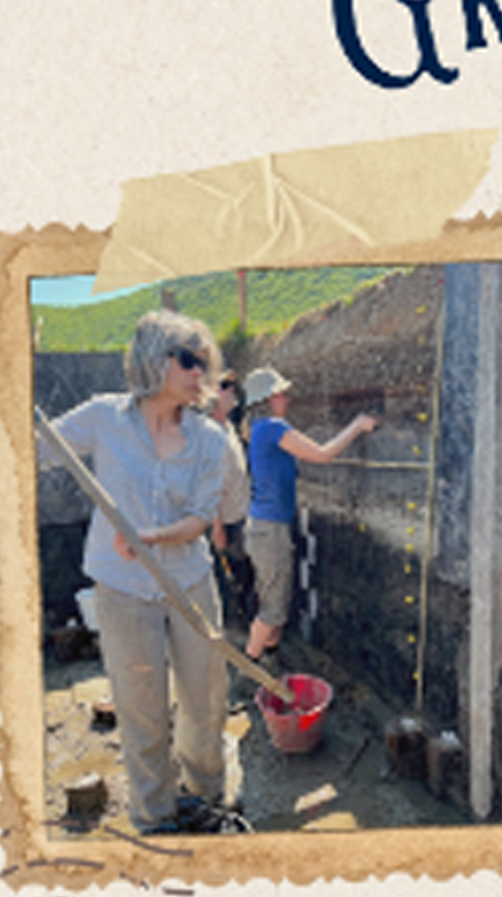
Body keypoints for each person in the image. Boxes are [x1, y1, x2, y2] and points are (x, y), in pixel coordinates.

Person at [38, 310, 236, 835]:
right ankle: (155, 816)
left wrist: (151, 537)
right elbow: (36, 448)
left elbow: (201, 518)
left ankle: (205, 795)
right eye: (187, 359)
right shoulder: (103, 417)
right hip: (121, 589)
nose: (199, 372)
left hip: (189, 583)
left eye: (204, 362)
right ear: (152, 359)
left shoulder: (210, 439)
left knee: (205, 700)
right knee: (139, 705)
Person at [241, 366, 379, 664]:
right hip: (269, 531)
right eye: (282, 394)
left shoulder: (258, 428)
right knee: (273, 609)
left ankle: (269, 661)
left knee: (274, 600)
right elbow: (323, 454)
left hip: (266, 528)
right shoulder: (273, 428)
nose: (287, 398)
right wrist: (357, 425)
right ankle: (248, 671)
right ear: (268, 398)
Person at [207, 371, 253, 628]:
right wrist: (217, 528)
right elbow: (208, 485)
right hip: (226, 522)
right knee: (231, 581)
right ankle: (232, 631)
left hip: (241, 515)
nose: (232, 390)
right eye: (225, 386)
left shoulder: (229, 428)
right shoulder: (209, 435)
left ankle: (243, 627)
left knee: (246, 575)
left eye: (232, 385)